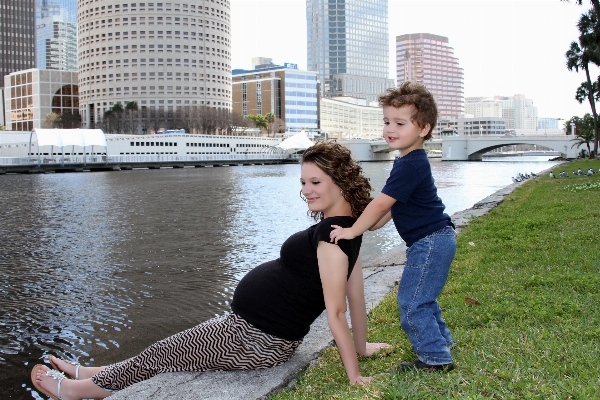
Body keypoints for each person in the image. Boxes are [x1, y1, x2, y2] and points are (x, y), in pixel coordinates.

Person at [31, 141, 391, 400]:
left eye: (315, 182)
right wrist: (363, 346)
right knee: (165, 348)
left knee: (165, 352)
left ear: (340, 181)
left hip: (259, 341)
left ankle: (80, 390)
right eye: (303, 181)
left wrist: (355, 376)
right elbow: (356, 294)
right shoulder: (345, 227)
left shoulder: (334, 237)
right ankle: (91, 373)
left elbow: (339, 308)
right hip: (252, 329)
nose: (306, 190)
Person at [330, 82, 456, 372]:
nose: (390, 129)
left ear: (423, 129)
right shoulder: (410, 162)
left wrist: (353, 230)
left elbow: (380, 204)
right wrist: (371, 225)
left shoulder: (409, 164)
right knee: (424, 299)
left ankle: (435, 359)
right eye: (387, 121)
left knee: (411, 304)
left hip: (430, 241)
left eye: (400, 123)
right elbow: (391, 208)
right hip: (435, 238)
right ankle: (442, 343)